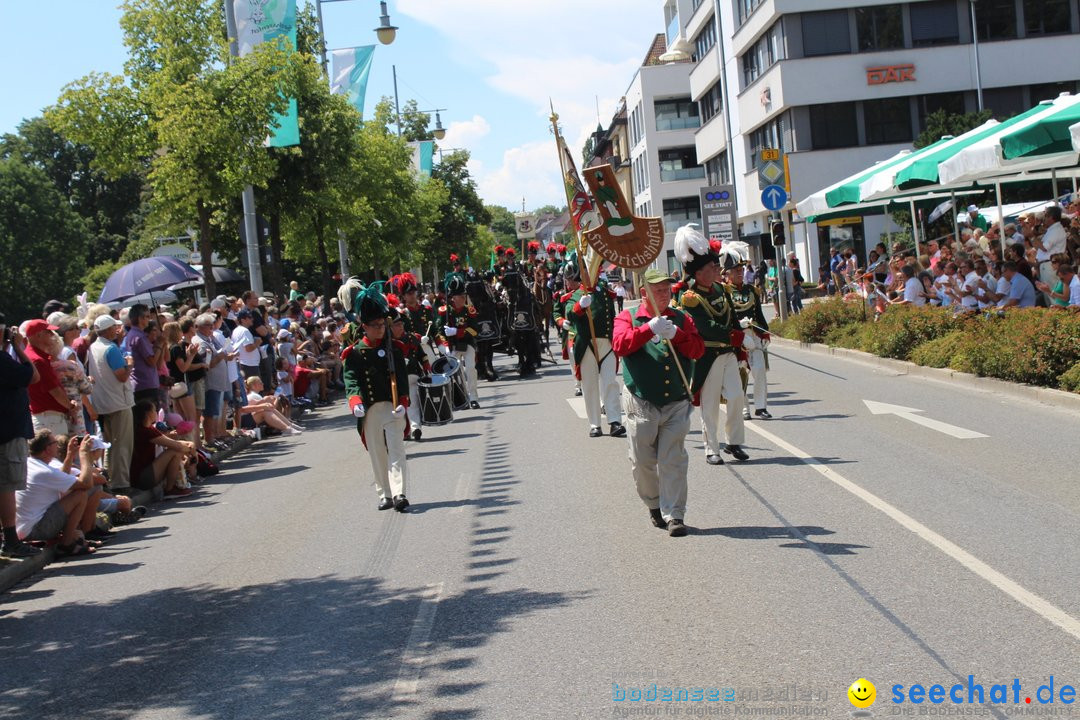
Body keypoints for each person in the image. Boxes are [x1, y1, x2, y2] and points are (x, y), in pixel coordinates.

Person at [613, 268, 703, 537]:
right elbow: (619, 345)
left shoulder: (683, 319)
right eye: (658, 290)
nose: (664, 295)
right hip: (641, 400)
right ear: (644, 293)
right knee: (641, 460)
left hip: (676, 401)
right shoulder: (627, 316)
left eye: (667, 290)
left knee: (672, 459)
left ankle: (675, 514)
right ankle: (653, 504)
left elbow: (698, 349)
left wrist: (677, 334)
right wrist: (647, 329)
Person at [673, 226, 749, 466]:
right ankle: (711, 449)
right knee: (710, 405)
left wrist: (739, 342)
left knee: (737, 397)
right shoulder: (691, 297)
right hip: (708, 354)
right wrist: (732, 336)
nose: (716, 270)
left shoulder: (721, 289)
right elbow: (704, 326)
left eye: (716, 267)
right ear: (698, 273)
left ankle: (734, 442)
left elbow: (732, 318)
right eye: (711, 268)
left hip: (727, 351)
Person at [341, 283, 411, 512]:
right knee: (378, 454)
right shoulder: (354, 354)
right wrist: (356, 402)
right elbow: (351, 380)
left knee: (396, 450)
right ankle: (385, 493)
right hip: (370, 409)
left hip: (392, 407)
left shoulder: (396, 349)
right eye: (375, 325)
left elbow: (401, 380)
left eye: (383, 324)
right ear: (364, 326)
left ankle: (400, 492)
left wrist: (403, 402)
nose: (381, 329)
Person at [560, 261, 625, 438]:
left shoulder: (604, 293)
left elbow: (612, 318)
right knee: (590, 386)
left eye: (595, 271)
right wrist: (580, 306)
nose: (593, 274)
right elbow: (570, 315)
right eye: (589, 272)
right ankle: (595, 424)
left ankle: (614, 421)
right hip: (587, 345)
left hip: (606, 344)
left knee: (610, 383)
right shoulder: (576, 295)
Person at [16, 431, 102, 556]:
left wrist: (70, 455)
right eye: (55, 442)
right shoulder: (45, 472)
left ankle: (75, 537)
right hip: (35, 530)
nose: (58, 445)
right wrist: (84, 454)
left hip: (23, 528)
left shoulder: (31, 463)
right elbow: (86, 484)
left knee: (70, 493)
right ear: (47, 449)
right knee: (80, 495)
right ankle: (67, 544)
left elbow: (62, 477)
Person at [0, 318, 41, 558]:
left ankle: (10, 539)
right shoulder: (3, 360)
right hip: (8, 433)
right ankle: (11, 540)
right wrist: (17, 347)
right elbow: (33, 376)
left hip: (7, 430)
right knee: (6, 488)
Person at [86, 315, 135, 491]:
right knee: (122, 444)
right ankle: (121, 483)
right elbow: (121, 375)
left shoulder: (93, 346)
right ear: (108, 330)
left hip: (103, 402)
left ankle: (111, 480)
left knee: (110, 444)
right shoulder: (110, 348)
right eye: (114, 327)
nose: (117, 330)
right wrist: (129, 364)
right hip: (118, 401)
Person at [728, 264, 772, 420]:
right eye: (736, 271)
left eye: (741, 270)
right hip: (738, 337)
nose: (740, 273)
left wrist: (765, 334)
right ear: (728, 273)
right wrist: (738, 325)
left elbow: (759, 314)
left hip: (754, 335)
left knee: (759, 371)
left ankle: (761, 407)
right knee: (740, 372)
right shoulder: (725, 292)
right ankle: (744, 407)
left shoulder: (752, 290)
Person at [130, 400, 196, 495]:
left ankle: (173, 486)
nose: (156, 412)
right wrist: (192, 451)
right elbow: (176, 446)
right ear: (148, 413)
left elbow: (172, 441)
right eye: (154, 410)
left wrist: (190, 444)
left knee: (177, 451)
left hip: (148, 472)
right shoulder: (144, 430)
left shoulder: (150, 428)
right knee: (175, 451)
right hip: (142, 477)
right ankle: (169, 489)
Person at [434, 276, 481, 409]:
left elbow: (475, 331)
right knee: (457, 372)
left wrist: (458, 331)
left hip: (468, 343)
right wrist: (444, 346)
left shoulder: (469, 311)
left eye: (463, 295)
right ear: (453, 297)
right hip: (453, 345)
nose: (462, 298)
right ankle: (463, 398)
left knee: (470, 368)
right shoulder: (445, 312)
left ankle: (473, 397)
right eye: (459, 296)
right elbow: (439, 331)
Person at [25, 320, 78, 436]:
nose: (52, 335)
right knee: (55, 453)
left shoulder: (33, 356)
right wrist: (70, 406)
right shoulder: (38, 360)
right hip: (49, 419)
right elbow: (55, 391)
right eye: (48, 332)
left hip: (46, 418)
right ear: (39, 335)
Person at [388, 305, 431, 441]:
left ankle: (415, 428)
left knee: (412, 402)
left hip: (412, 375)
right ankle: (405, 430)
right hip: (395, 379)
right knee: (399, 406)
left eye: (401, 324)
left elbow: (422, 355)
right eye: (396, 325)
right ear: (390, 327)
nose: (400, 327)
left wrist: (427, 368)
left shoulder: (412, 338)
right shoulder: (388, 343)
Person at [125, 303, 165, 408]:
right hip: (146, 384)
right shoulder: (140, 337)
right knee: (150, 420)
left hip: (139, 384)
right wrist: (159, 345)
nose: (149, 319)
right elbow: (151, 361)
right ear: (140, 318)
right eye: (147, 316)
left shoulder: (131, 334)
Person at [231, 309, 262, 380]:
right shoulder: (245, 331)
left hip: (244, 364)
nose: (252, 319)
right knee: (254, 389)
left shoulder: (236, 330)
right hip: (249, 365)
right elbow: (248, 348)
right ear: (243, 320)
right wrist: (257, 342)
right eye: (249, 317)